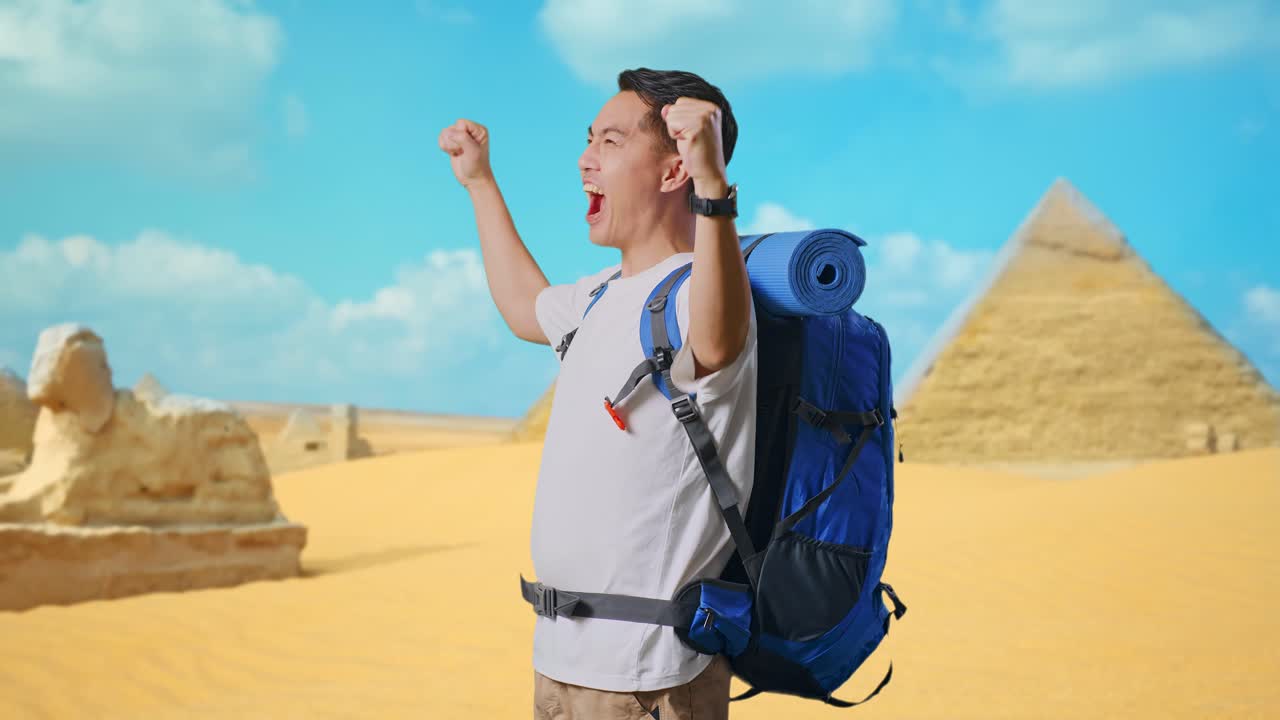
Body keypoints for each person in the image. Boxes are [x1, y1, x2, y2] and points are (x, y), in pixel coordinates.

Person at [440, 67, 757, 720]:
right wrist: (479, 182)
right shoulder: (602, 295)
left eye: (610, 143)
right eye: (589, 140)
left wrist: (712, 185)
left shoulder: (699, 295)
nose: (585, 160)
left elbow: (720, 338)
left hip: (644, 679)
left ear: (672, 171)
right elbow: (527, 308)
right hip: (559, 665)